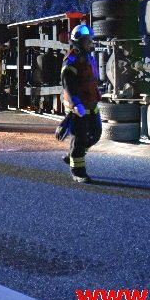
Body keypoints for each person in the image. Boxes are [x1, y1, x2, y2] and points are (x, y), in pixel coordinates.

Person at [60, 24, 102, 183]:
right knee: (79, 140)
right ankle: (78, 172)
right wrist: (76, 104)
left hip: (91, 104)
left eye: (90, 40)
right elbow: (68, 86)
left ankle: (73, 154)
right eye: (87, 40)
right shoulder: (70, 61)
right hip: (78, 108)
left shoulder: (89, 58)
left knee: (95, 134)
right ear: (78, 42)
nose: (90, 43)